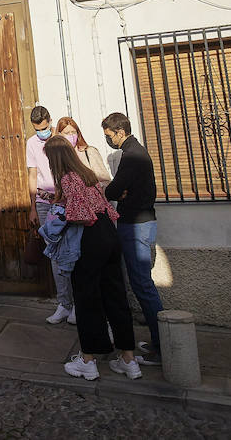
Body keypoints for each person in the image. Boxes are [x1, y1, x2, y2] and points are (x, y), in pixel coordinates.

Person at [45, 135, 141, 381]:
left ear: (55, 158)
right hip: (109, 232)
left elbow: (80, 214)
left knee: (87, 297)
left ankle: (88, 360)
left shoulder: (67, 177)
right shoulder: (87, 174)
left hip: (90, 237)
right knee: (115, 295)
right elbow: (104, 206)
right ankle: (128, 359)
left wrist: (60, 213)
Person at [101, 112, 164, 366]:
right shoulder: (135, 152)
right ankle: (160, 341)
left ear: (120, 132)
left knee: (142, 286)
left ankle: (162, 346)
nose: (108, 140)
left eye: (109, 136)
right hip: (139, 222)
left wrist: (117, 191)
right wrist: (120, 191)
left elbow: (114, 189)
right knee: (141, 284)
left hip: (135, 225)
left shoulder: (132, 156)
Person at [25, 105, 73, 325]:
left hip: (65, 202)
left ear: (50, 122)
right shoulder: (31, 144)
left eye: (44, 128)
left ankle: (77, 304)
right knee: (53, 252)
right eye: (37, 130)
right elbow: (32, 174)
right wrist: (33, 206)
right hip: (45, 203)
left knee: (71, 251)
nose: (41, 133)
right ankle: (64, 304)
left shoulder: (62, 140)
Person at [57, 116, 110, 186]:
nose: (71, 135)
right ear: (60, 135)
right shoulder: (58, 157)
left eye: (73, 132)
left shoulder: (89, 152)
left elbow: (105, 180)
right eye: (67, 133)